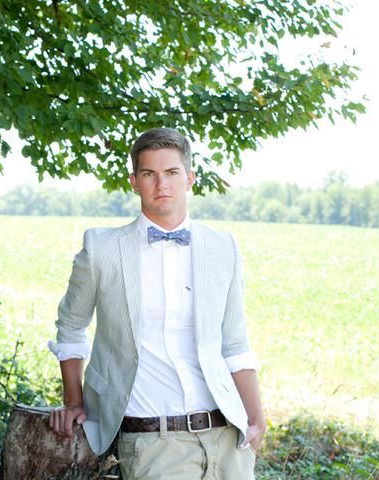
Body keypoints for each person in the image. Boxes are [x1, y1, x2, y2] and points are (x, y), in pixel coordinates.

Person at [47, 128, 265, 479]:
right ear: (134, 182)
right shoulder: (102, 249)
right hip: (152, 440)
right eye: (149, 174)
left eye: (172, 172)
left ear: (189, 178)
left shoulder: (223, 247)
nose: (161, 184)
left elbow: (235, 342)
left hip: (227, 435)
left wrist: (256, 418)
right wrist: (73, 401)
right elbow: (71, 326)